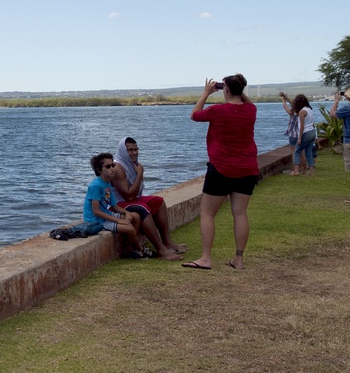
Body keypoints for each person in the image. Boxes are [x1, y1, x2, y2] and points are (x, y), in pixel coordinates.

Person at [182, 74, 259, 271]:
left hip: (221, 168)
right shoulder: (251, 110)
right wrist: (238, 92)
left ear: (224, 89)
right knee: (240, 214)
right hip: (247, 168)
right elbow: (245, 101)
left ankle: (206, 257)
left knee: (207, 213)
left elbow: (194, 114)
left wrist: (206, 93)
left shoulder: (217, 111)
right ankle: (239, 259)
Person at [110, 137, 188, 258]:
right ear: (123, 151)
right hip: (119, 204)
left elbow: (136, 193)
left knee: (159, 202)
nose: (134, 153)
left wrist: (139, 172)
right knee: (143, 208)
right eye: (130, 150)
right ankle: (161, 250)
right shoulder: (118, 168)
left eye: (136, 149)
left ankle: (167, 242)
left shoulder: (132, 165)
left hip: (131, 201)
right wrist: (140, 173)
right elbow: (129, 196)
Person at [85, 153, 146, 258]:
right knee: (130, 229)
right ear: (99, 170)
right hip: (96, 221)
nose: (112, 168)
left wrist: (126, 213)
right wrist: (118, 220)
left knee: (135, 216)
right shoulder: (95, 186)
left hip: (106, 214)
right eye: (108, 167)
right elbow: (96, 211)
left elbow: (115, 205)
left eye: (113, 165)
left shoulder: (108, 183)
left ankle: (129, 250)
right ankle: (140, 249)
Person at [291, 94, 317, 176]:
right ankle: (311, 172)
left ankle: (296, 171)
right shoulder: (309, 109)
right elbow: (312, 123)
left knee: (297, 151)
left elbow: (302, 126)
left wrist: (299, 138)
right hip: (312, 132)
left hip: (306, 133)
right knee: (309, 152)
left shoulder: (302, 112)